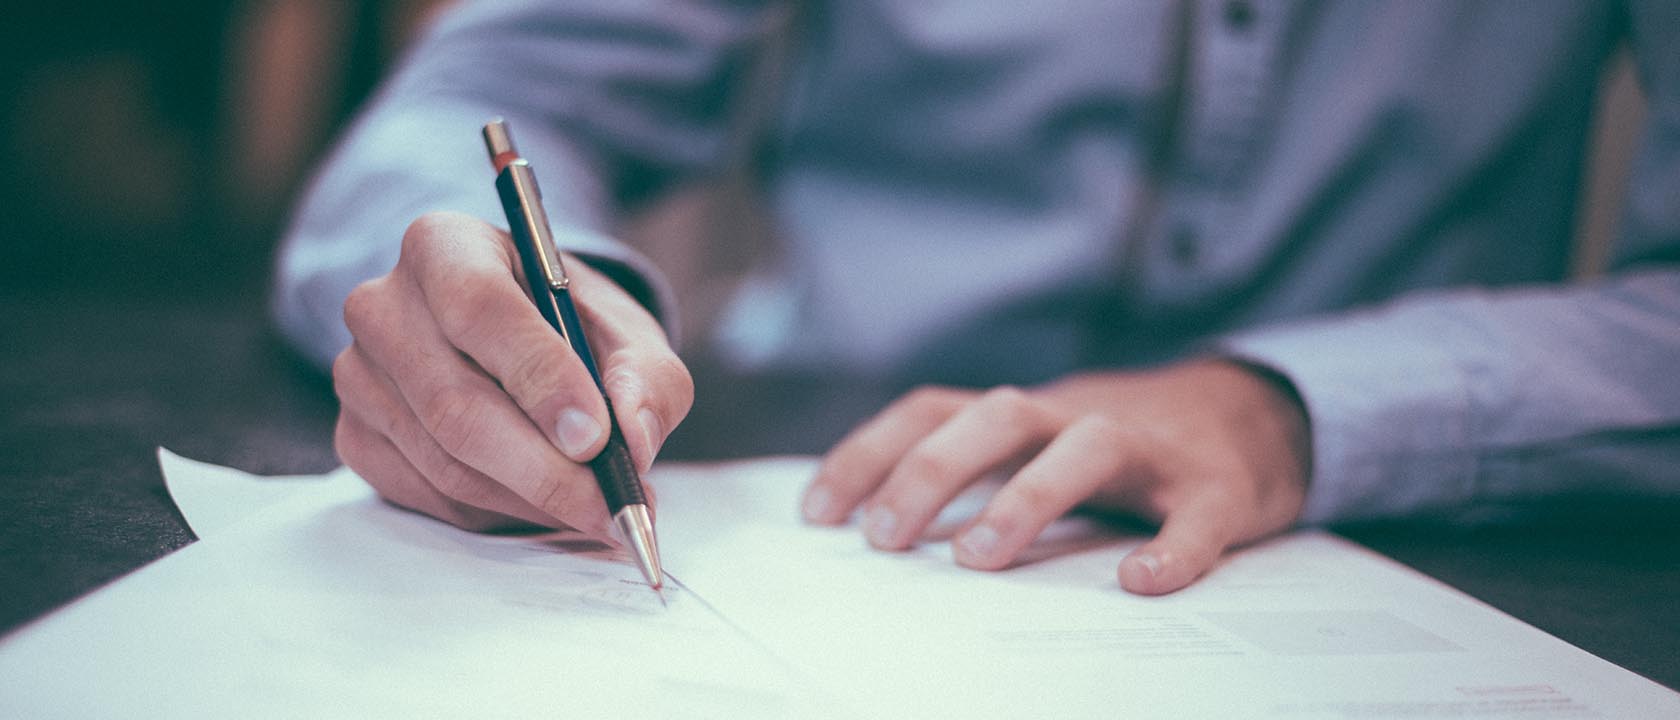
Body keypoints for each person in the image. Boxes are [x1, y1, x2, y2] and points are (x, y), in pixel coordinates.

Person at [274, 1, 1680, 594]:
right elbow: (470, 107)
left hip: (1417, 543)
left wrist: (1294, 409)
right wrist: (507, 310)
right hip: (826, 493)